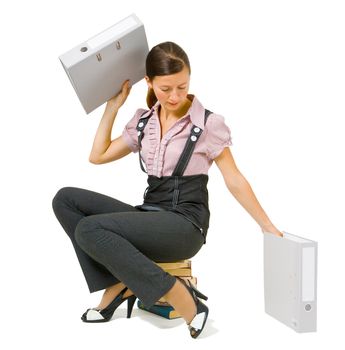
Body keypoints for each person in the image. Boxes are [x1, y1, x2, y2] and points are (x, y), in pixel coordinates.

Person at [52, 41, 283, 339]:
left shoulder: (208, 125)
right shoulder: (144, 122)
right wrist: (113, 106)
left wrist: (266, 226)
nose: (175, 96)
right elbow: (98, 156)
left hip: (185, 225)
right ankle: (121, 282)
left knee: (89, 230)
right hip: (150, 216)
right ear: (148, 82)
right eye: (165, 89)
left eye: (182, 86)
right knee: (66, 200)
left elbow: (234, 179)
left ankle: (179, 296)